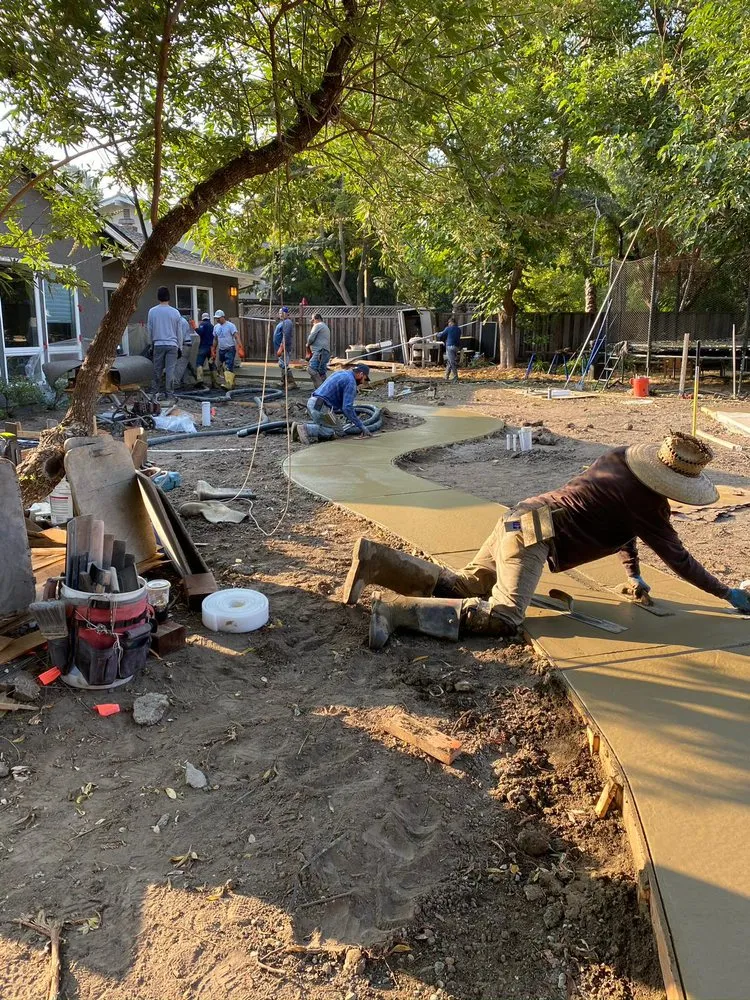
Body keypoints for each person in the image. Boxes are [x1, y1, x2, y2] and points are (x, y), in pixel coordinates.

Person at [340, 432, 750, 648]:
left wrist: (634, 574)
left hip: (520, 517)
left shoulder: (619, 460)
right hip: (536, 538)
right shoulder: (650, 505)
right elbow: (680, 560)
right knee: (504, 618)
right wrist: (728, 593)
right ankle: (395, 611)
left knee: (468, 586)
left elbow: (624, 525)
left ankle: (378, 560)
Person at [293, 364, 371, 444]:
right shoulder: (351, 382)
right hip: (321, 407)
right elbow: (347, 407)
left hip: (312, 403)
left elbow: (342, 404)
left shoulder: (341, 373)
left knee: (325, 426)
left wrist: (350, 417)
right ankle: (306, 429)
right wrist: (361, 426)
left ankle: (297, 426)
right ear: (361, 374)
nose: (362, 382)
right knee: (338, 432)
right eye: (364, 379)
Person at [147, 286, 182, 396]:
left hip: (158, 344)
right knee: (170, 371)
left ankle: (154, 392)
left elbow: (150, 330)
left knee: (157, 370)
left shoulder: (152, 311)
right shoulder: (175, 312)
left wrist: (150, 345)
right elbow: (179, 331)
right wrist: (180, 347)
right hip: (172, 345)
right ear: (169, 297)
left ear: (158, 297)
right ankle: (170, 394)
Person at [212, 309, 242, 388]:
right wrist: (213, 349)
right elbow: (215, 339)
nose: (217, 319)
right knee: (222, 366)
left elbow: (236, 336)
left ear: (223, 317)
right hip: (221, 349)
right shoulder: (216, 327)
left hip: (230, 348)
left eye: (218, 318)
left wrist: (240, 347)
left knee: (229, 365)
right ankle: (231, 382)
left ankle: (228, 384)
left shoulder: (230, 325)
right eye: (216, 318)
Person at [306, 312, 331, 388]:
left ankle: (319, 389)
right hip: (325, 352)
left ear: (316, 319)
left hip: (320, 351)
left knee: (311, 369)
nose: (312, 322)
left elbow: (311, 338)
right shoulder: (325, 326)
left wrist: (307, 344)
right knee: (321, 372)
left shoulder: (317, 325)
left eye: (312, 320)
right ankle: (326, 390)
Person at [272, 306, 296, 387]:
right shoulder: (282, 322)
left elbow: (286, 336)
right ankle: (284, 382)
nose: (280, 314)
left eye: (282, 313)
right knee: (282, 364)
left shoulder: (287, 322)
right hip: (280, 347)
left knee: (284, 364)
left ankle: (291, 383)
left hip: (284, 348)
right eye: (279, 313)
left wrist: (281, 347)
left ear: (287, 314)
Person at [174, 315, 197, 388]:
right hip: (187, 344)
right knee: (184, 364)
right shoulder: (183, 321)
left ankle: (175, 383)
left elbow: (181, 335)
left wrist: (178, 347)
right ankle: (186, 381)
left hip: (184, 345)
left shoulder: (181, 322)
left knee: (180, 364)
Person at [436, 315, 461, 381]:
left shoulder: (448, 328)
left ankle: (455, 376)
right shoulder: (458, 329)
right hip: (456, 347)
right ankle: (446, 376)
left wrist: (437, 334)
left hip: (450, 347)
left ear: (451, 322)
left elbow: (441, 335)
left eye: (449, 323)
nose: (448, 324)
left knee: (452, 362)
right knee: (450, 361)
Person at [195, 312, 217, 385]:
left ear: (202, 318)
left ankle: (200, 380)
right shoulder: (212, 326)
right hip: (211, 348)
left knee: (199, 363)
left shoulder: (202, 324)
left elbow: (200, 332)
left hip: (203, 347)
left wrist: (195, 328)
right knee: (211, 364)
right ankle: (214, 382)